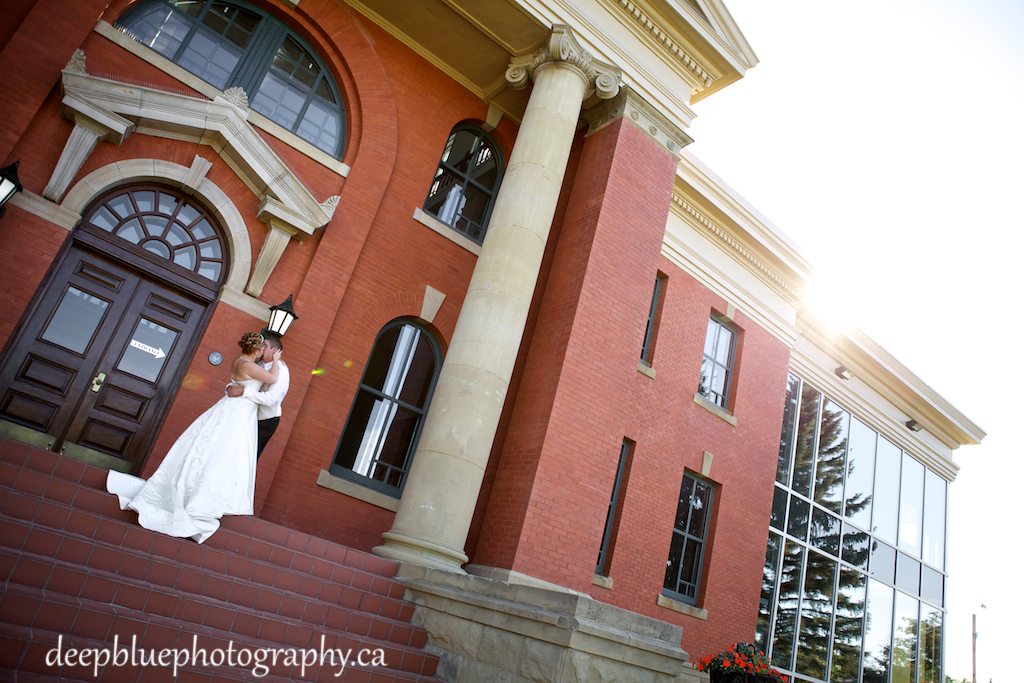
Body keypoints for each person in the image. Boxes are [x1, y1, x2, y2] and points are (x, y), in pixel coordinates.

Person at [105, 331, 282, 543]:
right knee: (222, 452)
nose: (264, 353)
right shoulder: (249, 365)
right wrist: (278, 361)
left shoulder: (238, 361)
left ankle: (207, 493)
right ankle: (201, 499)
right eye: (262, 349)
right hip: (237, 413)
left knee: (215, 450)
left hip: (235, 410)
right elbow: (272, 379)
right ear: (256, 349)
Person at [226, 334, 289, 458]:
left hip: (265, 420)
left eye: (264, 346)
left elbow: (270, 399)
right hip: (247, 415)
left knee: (249, 456)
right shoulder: (258, 365)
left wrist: (243, 392)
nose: (260, 347)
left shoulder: (281, 371)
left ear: (274, 350)